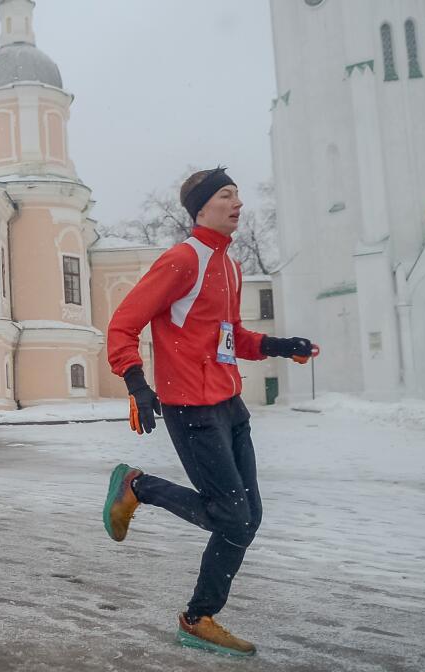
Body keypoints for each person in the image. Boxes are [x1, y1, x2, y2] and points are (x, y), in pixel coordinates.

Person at [103, 168, 318, 657]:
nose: (237, 203)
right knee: (231, 516)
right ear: (202, 208)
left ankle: (199, 617)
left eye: (238, 195)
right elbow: (123, 324)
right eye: (226, 195)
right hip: (191, 409)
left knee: (248, 517)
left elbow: (231, 337)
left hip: (229, 405)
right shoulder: (183, 261)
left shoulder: (231, 265)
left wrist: (281, 345)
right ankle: (138, 487)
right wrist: (136, 382)